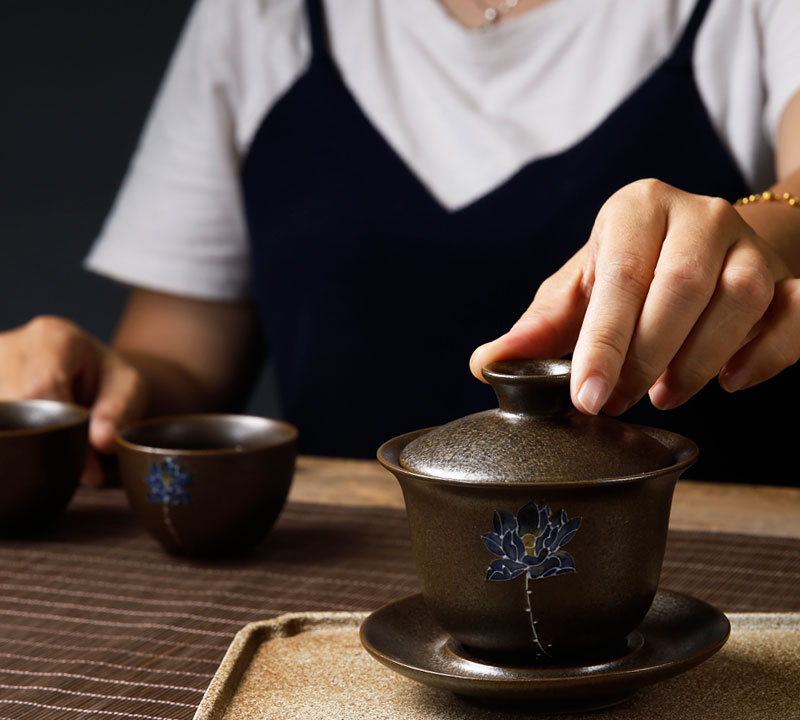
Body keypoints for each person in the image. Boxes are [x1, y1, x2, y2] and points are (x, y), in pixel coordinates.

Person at [1, 0, 799, 486]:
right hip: (335, 599)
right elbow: (179, 373)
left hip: (717, 584)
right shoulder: (259, 15)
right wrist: (91, 390)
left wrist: (754, 236)